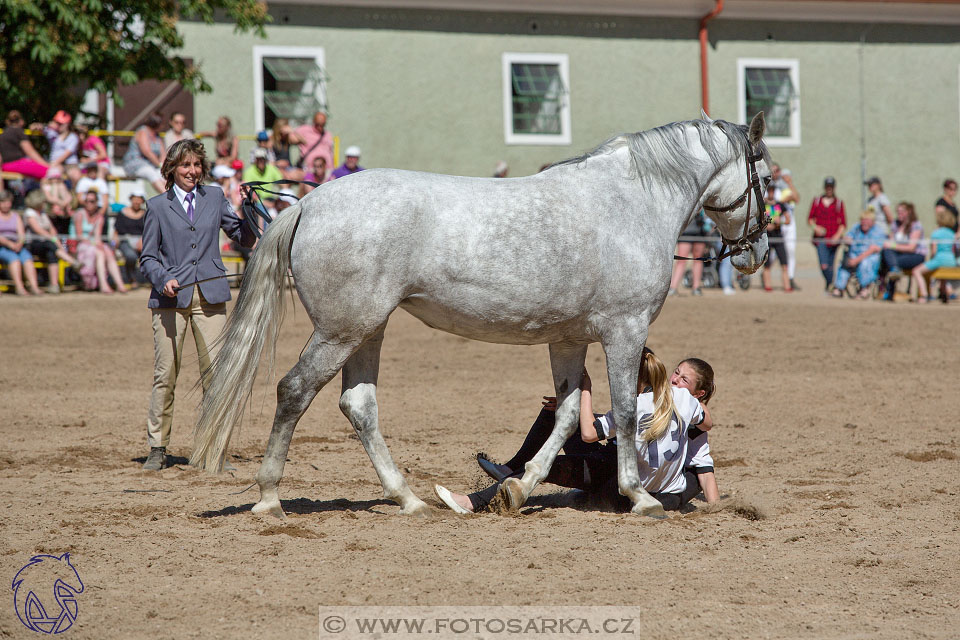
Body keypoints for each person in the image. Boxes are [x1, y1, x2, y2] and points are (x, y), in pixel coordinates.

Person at [435, 349, 715, 514]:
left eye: (683, 378)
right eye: (675, 373)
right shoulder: (686, 403)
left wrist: (584, 390)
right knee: (560, 421)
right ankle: (509, 470)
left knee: (548, 464)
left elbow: (590, 434)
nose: (676, 380)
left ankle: (475, 501)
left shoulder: (640, 405)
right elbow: (706, 425)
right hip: (640, 480)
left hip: (617, 482)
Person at [138, 138, 257, 471]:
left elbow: (243, 237)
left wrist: (248, 209)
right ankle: (158, 447)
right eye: (185, 165)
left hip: (210, 296)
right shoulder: (157, 206)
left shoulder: (216, 196)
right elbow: (147, 257)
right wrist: (163, 278)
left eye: (196, 165)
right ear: (172, 169)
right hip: (169, 300)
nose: (192, 171)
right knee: (166, 374)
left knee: (216, 376)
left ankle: (215, 449)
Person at [71, 190, 126, 294]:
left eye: (91, 201)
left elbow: (97, 236)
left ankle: (120, 284)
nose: (88, 203)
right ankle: (103, 284)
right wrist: (95, 244)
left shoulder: (99, 217)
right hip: (80, 245)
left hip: (92, 244)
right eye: (86, 201)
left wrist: (98, 244)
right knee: (99, 252)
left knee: (108, 252)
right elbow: (79, 235)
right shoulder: (79, 214)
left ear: (96, 202)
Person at [23, 188, 77, 293]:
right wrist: (54, 240)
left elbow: (52, 230)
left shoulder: (42, 213)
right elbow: (39, 231)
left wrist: (57, 242)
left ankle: (54, 285)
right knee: (49, 245)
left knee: (51, 253)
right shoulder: (29, 213)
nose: (45, 204)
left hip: (46, 244)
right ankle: (72, 261)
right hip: (32, 244)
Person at [832, 210, 887, 299]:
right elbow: (848, 237)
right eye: (863, 220)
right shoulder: (856, 228)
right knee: (845, 263)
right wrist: (846, 239)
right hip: (854, 255)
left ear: (872, 222)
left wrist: (856, 260)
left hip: (869, 257)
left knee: (865, 263)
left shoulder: (878, 231)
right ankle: (839, 287)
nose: (864, 222)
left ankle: (864, 288)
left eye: (867, 220)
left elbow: (873, 249)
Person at [912, 207, 958, 304]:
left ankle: (924, 295)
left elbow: (934, 251)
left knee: (916, 271)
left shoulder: (936, 233)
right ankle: (944, 294)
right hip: (951, 260)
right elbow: (953, 250)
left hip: (940, 259)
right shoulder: (952, 234)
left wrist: (932, 260)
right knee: (943, 276)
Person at [0, 190, 42, 295]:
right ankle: (19, 287)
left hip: (17, 246)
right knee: (14, 260)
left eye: (8, 202)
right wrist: (9, 244)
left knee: (27, 259)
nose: (6, 205)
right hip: (3, 247)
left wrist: (19, 243)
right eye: (3, 202)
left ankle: (34, 287)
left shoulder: (16, 216)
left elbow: (21, 233)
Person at [808, 176, 847, 291]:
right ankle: (833, 285)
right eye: (827, 187)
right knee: (823, 265)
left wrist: (837, 236)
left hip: (834, 240)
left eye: (831, 187)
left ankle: (829, 286)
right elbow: (810, 219)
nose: (829, 189)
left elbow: (843, 223)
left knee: (830, 265)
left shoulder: (839, 203)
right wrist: (816, 228)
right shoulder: (817, 201)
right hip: (821, 239)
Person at [880, 202, 925, 300]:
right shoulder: (895, 224)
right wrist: (890, 245)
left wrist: (893, 245)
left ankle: (889, 291)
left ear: (909, 212)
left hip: (916, 256)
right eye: (898, 212)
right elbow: (890, 242)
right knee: (887, 252)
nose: (899, 214)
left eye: (902, 212)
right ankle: (893, 273)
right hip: (899, 255)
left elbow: (911, 247)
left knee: (892, 263)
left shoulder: (916, 225)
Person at [771, 163, 800, 290]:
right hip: (775, 223)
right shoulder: (770, 188)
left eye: (777, 171)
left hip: (788, 223)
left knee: (790, 251)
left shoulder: (785, 187)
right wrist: (782, 201)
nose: (775, 173)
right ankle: (766, 273)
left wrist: (790, 183)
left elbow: (796, 198)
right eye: (773, 171)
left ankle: (790, 277)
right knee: (773, 253)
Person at [122, 112, 165, 193]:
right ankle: (167, 197)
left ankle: (173, 196)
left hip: (152, 165)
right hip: (136, 163)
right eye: (162, 124)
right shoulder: (142, 132)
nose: (163, 126)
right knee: (151, 173)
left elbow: (163, 153)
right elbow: (147, 152)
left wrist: (163, 165)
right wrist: (159, 165)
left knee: (163, 175)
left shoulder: (157, 136)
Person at [669, 209, 708, 296]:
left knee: (698, 259)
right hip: (686, 232)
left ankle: (696, 287)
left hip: (700, 232)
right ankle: (673, 287)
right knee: (681, 260)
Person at [761, 184, 792, 292]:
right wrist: (766, 225)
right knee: (767, 264)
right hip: (767, 238)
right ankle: (767, 286)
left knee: (784, 263)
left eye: (772, 191)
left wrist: (780, 222)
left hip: (778, 237)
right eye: (769, 190)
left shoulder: (780, 205)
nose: (771, 192)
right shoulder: (763, 204)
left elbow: (788, 220)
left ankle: (787, 286)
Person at [0, 110, 49, 179]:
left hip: (4, 166)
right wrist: (47, 166)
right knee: (51, 172)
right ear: (22, 121)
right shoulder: (18, 131)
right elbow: (30, 152)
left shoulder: (3, 134)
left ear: (7, 121)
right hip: (17, 164)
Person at [113, 191, 147, 285]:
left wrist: (143, 240)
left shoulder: (146, 214)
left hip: (142, 241)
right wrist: (114, 242)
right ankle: (131, 278)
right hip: (125, 240)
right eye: (135, 199)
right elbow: (116, 230)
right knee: (131, 256)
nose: (136, 201)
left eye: (139, 199)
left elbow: (149, 230)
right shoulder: (123, 213)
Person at [44, 110, 81, 184]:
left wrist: (55, 163)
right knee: (54, 176)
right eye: (57, 123)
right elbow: (41, 128)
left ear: (67, 124)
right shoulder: (52, 133)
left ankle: (74, 195)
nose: (58, 125)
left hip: (70, 164)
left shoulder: (73, 137)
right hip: (56, 164)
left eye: (60, 124)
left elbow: (67, 153)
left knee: (76, 176)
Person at [41, 167, 74, 235]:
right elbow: (51, 199)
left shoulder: (61, 185)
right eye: (53, 178)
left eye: (57, 178)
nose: (55, 180)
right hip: (50, 212)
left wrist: (64, 203)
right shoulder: (47, 186)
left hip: (62, 212)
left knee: (64, 230)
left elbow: (69, 197)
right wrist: (61, 203)